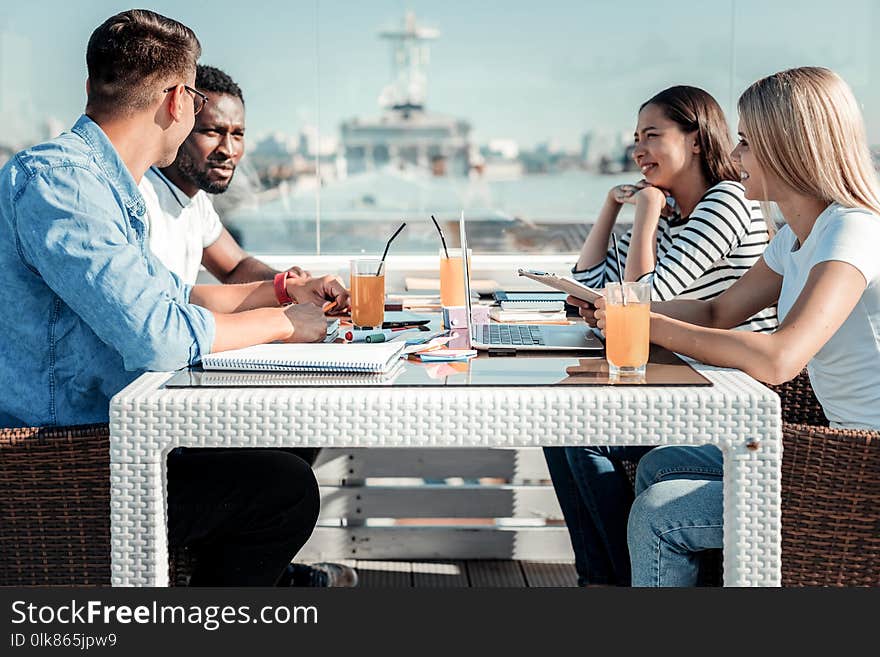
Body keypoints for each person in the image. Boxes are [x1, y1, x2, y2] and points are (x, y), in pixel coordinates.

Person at [0, 9, 349, 586]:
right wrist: (285, 323)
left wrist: (284, 294)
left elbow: (172, 296)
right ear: (180, 102)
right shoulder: (62, 184)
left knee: (281, 450)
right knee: (282, 490)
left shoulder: (105, 188)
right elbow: (158, 334)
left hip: (114, 442)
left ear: (90, 87)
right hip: (65, 468)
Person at [584, 66, 880, 586]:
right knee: (661, 465)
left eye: (746, 140)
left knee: (659, 512)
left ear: (788, 145)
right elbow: (720, 311)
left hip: (862, 466)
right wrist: (626, 311)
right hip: (835, 444)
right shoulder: (795, 238)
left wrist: (645, 324)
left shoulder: (851, 230)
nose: (736, 155)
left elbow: (780, 357)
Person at [544, 85, 777, 586]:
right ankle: (605, 580)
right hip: (681, 377)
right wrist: (611, 208)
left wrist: (645, 216)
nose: (639, 150)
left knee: (583, 438)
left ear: (696, 140)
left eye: (652, 135)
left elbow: (640, 295)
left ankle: (622, 579)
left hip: (728, 392)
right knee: (562, 430)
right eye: (635, 139)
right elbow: (585, 290)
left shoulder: (727, 202)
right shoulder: (676, 211)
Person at [140, 63, 353, 587]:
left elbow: (234, 268)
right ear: (178, 121)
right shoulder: (142, 200)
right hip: (155, 416)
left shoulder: (190, 202)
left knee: (304, 415)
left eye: (238, 134)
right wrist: (280, 313)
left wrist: (293, 283)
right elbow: (173, 305)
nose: (228, 148)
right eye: (213, 130)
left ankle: (264, 571)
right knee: (286, 473)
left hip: (185, 391)